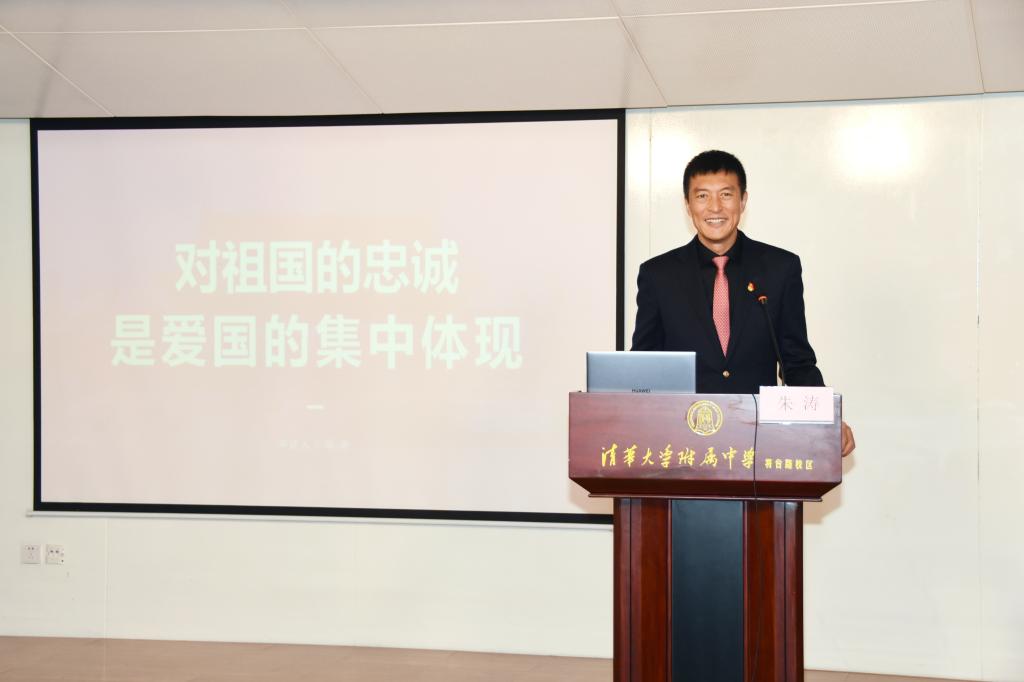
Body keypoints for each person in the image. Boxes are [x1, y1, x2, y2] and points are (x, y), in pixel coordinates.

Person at [631, 150, 855, 455]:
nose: (715, 207)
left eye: (726, 195)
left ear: (743, 201)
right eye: (702, 196)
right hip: (683, 443)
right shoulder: (659, 275)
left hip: (760, 442)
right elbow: (644, 366)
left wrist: (827, 418)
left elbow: (796, 362)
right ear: (687, 204)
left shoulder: (780, 269)